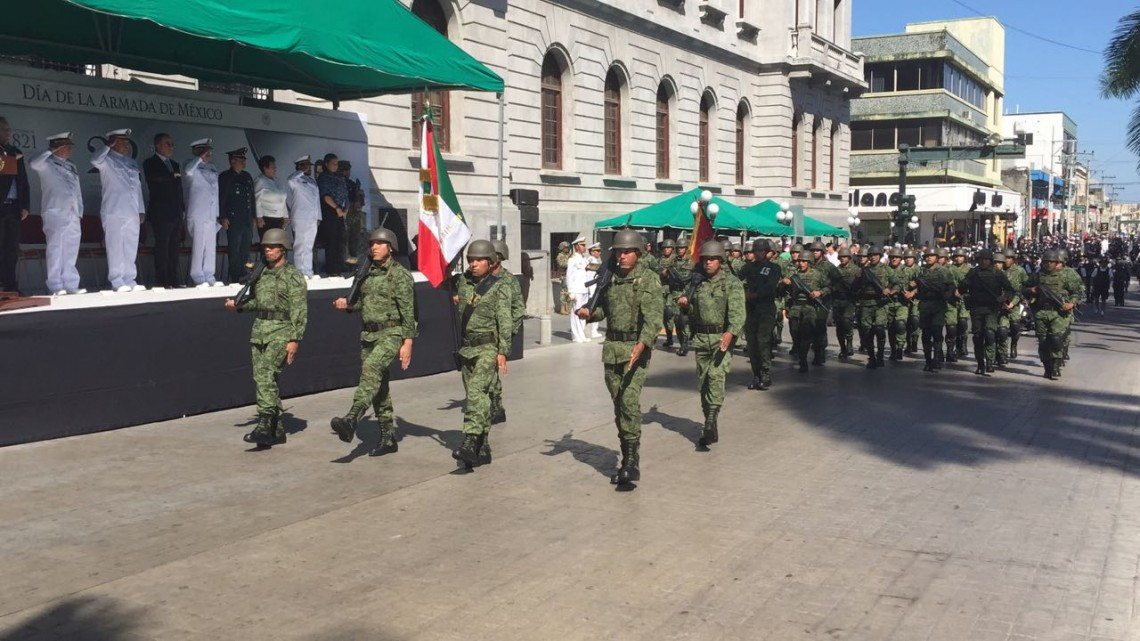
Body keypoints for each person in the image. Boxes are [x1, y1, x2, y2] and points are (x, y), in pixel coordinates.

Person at [577, 229, 663, 487]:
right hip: (612, 347)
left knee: (627, 401)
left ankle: (631, 462)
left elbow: (653, 318)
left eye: (627, 252)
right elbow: (603, 309)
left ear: (637, 253)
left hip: (635, 349)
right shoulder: (610, 279)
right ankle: (626, 452)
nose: (622, 256)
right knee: (619, 404)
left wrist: (643, 343)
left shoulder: (648, 279)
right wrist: (588, 313)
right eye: (618, 252)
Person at [330, 228, 417, 456]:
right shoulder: (367, 273)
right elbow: (362, 303)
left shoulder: (399, 275)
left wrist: (407, 342)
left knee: (371, 369)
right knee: (378, 386)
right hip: (368, 335)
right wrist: (347, 304)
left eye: (380, 243)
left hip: (391, 333)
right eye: (372, 244)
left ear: (391, 248)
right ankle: (388, 437)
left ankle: (352, 417)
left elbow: (409, 313)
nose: (374, 247)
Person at [224, 228, 307, 447]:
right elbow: (258, 303)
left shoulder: (293, 276)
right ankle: (276, 430)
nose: (268, 251)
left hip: (282, 332)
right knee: (264, 378)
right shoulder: (260, 274)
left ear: (283, 249)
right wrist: (239, 306)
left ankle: (263, 423)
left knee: (265, 376)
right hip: (260, 331)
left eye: (272, 247)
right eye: (265, 247)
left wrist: (294, 339)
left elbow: (300, 310)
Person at [450, 240, 512, 470]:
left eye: (479, 260)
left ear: (491, 262)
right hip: (467, 349)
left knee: (475, 392)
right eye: (471, 260)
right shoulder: (463, 282)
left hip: (488, 348)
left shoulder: (499, 286)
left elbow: (505, 321)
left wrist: (503, 351)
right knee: (480, 397)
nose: (474, 264)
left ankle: (470, 440)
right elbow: (444, 280)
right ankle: (483, 447)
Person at [677, 240, 744, 448]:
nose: (708, 263)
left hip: (720, 339)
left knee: (715, 377)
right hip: (700, 338)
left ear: (721, 260)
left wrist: (730, 333)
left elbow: (738, 312)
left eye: (713, 259)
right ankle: (710, 423)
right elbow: (690, 313)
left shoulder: (731, 282)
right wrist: (685, 306)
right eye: (705, 259)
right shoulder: (697, 282)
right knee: (703, 382)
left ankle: (709, 421)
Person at [90, 128, 146, 292]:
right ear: (112, 142)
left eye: (127, 142)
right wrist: (108, 146)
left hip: (132, 210)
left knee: (130, 244)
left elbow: (137, 187)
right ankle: (117, 280)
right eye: (121, 142)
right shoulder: (106, 159)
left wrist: (141, 209)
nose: (126, 145)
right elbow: (94, 160)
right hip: (114, 209)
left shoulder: (131, 162)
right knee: (115, 245)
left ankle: (130, 279)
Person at [29, 132, 84, 295]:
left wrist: (80, 210)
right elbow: (33, 163)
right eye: (65, 146)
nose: (69, 150)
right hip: (55, 211)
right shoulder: (46, 163)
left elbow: (77, 190)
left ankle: (71, 283)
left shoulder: (72, 165)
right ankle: (55, 285)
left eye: (69, 146)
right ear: (56, 147)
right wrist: (50, 151)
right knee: (55, 248)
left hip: (72, 212)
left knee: (71, 248)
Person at [1023, 248, 1081, 380]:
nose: (1048, 264)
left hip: (1058, 313)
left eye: (1051, 262)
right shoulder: (1037, 276)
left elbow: (1078, 292)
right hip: (1041, 312)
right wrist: (1030, 290)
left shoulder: (1066, 276)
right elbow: (1023, 289)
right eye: (1045, 262)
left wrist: (1071, 303)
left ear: (1057, 263)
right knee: (1043, 341)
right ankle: (1047, 366)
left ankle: (1055, 365)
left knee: (1055, 338)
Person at [958, 249, 1015, 376]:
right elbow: (961, 288)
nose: (983, 262)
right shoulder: (973, 272)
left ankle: (989, 361)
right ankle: (980, 363)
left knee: (989, 334)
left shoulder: (997, 273)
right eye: (981, 259)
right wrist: (965, 284)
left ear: (990, 260)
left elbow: (1010, 289)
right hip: (976, 308)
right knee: (978, 337)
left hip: (991, 308)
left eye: (986, 259)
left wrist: (1004, 297)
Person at [489, 239, 524, 427]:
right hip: (485, 331)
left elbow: (518, 307)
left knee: (492, 368)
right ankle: (495, 405)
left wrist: (509, 329)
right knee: (489, 369)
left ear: (499, 258)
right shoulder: (482, 279)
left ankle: (496, 405)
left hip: (500, 332)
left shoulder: (509, 280)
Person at [142, 133, 184, 289]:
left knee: (174, 246)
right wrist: (170, 176)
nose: (171, 147)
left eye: (172, 144)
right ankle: (163, 280)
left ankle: (174, 279)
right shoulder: (150, 163)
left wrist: (182, 208)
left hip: (176, 211)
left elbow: (179, 188)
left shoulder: (174, 163)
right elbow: (154, 180)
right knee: (162, 246)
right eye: (168, 144)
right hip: (161, 212)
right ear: (158, 145)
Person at [903, 247, 955, 372]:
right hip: (925, 305)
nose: (929, 258)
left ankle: (936, 358)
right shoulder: (921, 271)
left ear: (937, 257)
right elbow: (915, 285)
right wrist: (913, 291)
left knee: (937, 332)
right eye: (927, 256)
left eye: (931, 256)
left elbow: (951, 286)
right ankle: (928, 360)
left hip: (938, 305)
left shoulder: (944, 271)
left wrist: (948, 294)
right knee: (926, 334)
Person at [741, 238, 782, 390]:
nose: (758, 253)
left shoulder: (774, 268)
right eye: (756, 251)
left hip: (765, 309)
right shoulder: (748, 267)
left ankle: (765, 372)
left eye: (761, 250)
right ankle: (756, 374)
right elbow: (737, 279)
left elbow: (770, 287)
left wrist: (755, 295)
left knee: (763, 341)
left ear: (766, 252)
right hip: (750, 309)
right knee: (751, 343)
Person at [782, 253, 830, 372]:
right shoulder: (794, 275)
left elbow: (829, 287)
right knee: (794, 331)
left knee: (806, 334)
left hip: (810, 307)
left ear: (809, 262)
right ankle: (799, 350)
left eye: (804, 261)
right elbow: (783, 287)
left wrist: (820, 293)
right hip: (796, 306)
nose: (801, 263)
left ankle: (803, 359)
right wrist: (785, 282)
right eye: (800, 261)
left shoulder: (818, 274)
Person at [183, 139, 221, 287]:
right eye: (205, 151)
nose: (208, 154)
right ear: (197, 152)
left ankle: (209, 274)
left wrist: (217, 213)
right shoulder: (190, 165)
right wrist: (199, 159)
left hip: (211, 213)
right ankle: (197, 275)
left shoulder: (212, 168)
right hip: (198, 212)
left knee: (210, 246)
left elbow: (215, 191)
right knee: (199, 245)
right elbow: (188, 172)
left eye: (209, 151)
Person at [0, 117, 29, 293]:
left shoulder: (15, 152)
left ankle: (11, 287)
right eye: (3, 129)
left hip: (13, 207)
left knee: (11, 249)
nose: (7, 133)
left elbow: (23, 181)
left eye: (8, 129)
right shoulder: (10, 155)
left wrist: (25, 205)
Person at [218, 147, 256, 283]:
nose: (244, 162)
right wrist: (222, 216)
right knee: (234, 248)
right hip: (233, 218)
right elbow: (222, 198)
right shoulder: (225, 177)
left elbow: (251, 197)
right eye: (241, 160)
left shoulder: (247, 176)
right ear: (232, 161)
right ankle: (235, 276)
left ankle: (245, 273)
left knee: (246, 248)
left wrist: (254, 216)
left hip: (246, 218)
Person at [854, 245, 893, 369]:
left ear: (880, 256)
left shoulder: (886, 269)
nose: (873, 257)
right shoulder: (863, 270)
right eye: (870, 255)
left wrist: (890, 290)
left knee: (880, 330)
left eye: (875, 255)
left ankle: (880, 356)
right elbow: (856, 287)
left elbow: (897, 283)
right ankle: (872, 357)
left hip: (880, 304)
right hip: (866, 304)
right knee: (867, 332)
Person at [287, 155, 321, 279]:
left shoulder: (312, 181)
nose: (310, 168)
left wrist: (318, 217)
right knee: (300, 245)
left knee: (309, 245)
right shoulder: (295, 180)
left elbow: (316, 200)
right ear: (300, 166)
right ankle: (299, 272)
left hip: (312, 217)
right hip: (300, 217)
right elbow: (290, 180)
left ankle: (308, 270)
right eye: (307, 166)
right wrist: (301, 170)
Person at [317, 153, 348, 276]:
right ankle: (331, 270)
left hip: (341, 212)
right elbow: (325, 196)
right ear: (326, 164)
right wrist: (336, 208)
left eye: (337, 164)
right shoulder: (324, 177)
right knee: (332, 241)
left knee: (340, 241)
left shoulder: (339, 177)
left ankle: (338, 268)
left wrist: (346, 209)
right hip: (330, 212)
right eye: (333, 164)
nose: (336, 166)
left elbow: (345, 195)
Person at [998, 252, 1027, 362]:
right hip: (1001, 305)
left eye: (1009, 258)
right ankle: (1002, 353)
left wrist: (1014, 302)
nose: (1007, 260)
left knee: (1015, 327)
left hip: (1015, 304)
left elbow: (1025, 286)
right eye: (1005, 258)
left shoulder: (1020, 271)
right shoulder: (999, 271)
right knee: (1002, 330)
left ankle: (1014, 344)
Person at [832, 246, 859, 359]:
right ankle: (843, 347)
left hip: (849, 301)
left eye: (845, 257)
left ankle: (849, 343)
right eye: (841, 257)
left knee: (847, 321)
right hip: (838, 301)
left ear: (849, 257)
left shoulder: (856, 270)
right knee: (839, 325)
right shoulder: (836, 270)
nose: (842, 259)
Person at [565, 236, 590, 342]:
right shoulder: (572, 259)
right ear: (576, 246)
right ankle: (576, 335)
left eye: (585, 245)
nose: (585, 247)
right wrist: (570, 291)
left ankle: (582, 334)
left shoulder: (584, 259)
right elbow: (569, 275)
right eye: (582, 245)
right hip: (576, 290)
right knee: (576, 313)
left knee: (584, 313)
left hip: (584, 289)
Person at [254, 155, 288, 231]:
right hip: (267, 219)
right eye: (273, 167)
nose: (275, 169)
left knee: (279, 241)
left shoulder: (278, 180)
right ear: (265, 168)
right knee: (268, 242)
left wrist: (285, 216)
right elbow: (257, 201)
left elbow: (283, 200)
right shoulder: (260, 181)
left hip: (280, 218)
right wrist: (259, 217)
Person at [340, 160, 365, 263]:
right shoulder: (338, 183)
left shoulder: (352, 184)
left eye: (348, 170)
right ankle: (344, 261)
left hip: (354, 215)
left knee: (355, 237)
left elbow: (361, 202)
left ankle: (355, 260)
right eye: (344, 170)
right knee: (344, 239)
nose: (346, 172)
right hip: (344, 214)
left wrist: (360, 196)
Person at [585, 242, 604, 339]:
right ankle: (592, 331)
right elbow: (589, 278)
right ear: (592, 252)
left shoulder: (595, 261)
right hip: (592, 289)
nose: (599, 253)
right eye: (597, 251)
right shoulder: (591, 261)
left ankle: (593, 330)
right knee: (593, 309)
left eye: (600, 251)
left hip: (594, 288)